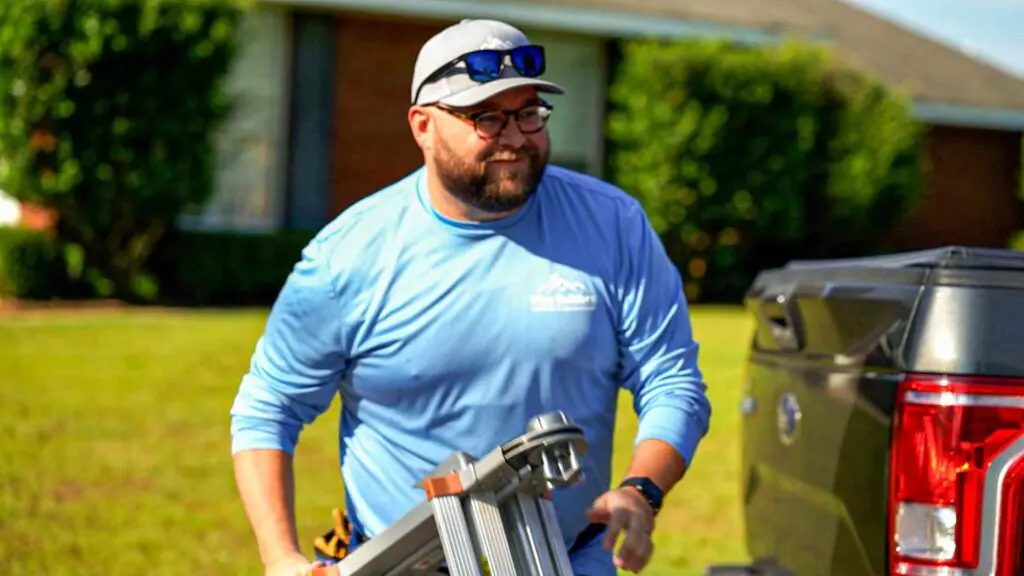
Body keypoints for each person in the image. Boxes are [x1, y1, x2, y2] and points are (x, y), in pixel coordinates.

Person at [229, 17, 712, 576]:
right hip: (401, 565)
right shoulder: (348, 256)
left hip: (567, 560)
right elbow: (269, 407)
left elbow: (672, 379)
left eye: (529, 112)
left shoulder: (612, 225)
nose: (515, 136)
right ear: (422, 125)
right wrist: (280, 558)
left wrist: (641, 491)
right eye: (486, 117)